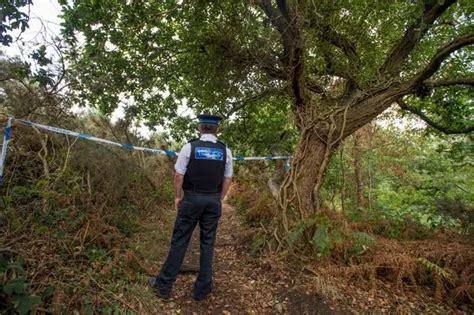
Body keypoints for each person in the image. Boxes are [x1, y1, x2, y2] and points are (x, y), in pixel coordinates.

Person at [148, 114, 233, 301]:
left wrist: (178, 197)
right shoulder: (225, 150)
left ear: (199, 127)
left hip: (192, 199)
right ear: (216, 129)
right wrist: (218, 198)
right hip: (212, 200)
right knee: (208, 243)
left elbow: (179, 175)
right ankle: (203, 289)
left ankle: (163, 287)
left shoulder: (189, 147)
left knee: (180, 241)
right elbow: (227, 178)